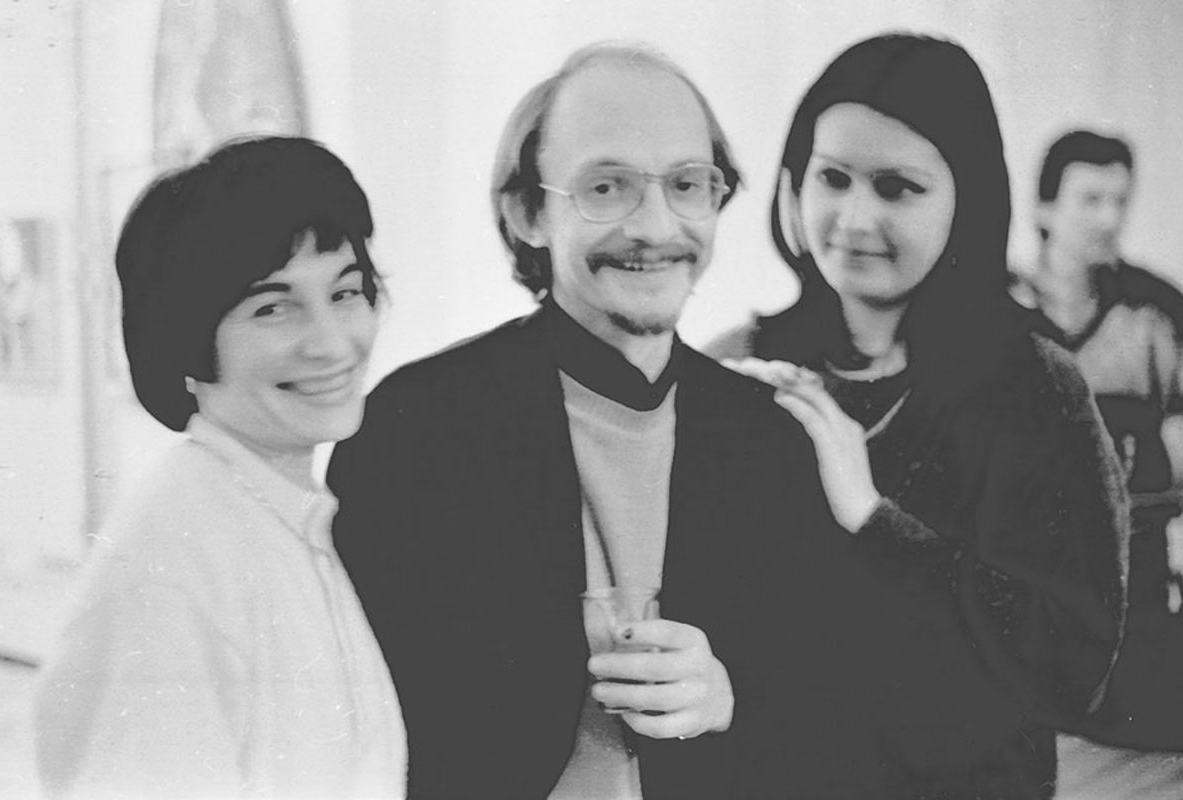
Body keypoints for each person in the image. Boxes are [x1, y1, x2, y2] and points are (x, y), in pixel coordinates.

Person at [328, 42, 870, 799]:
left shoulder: (773, 437)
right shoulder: (413, 427)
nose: (656, 226)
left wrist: (729, 698)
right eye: (606, 187)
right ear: (528, 213)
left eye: (687, 184)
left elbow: (836, 715)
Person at [713, 34, 1128, 799]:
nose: (854, 217)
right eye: (831, 177)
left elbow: (1072, 664)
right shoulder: (737, 368)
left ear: (965, 199)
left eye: (897, 188)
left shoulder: (1034, 387)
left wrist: (874, 520)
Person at [33, 136, 407, 799]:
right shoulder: (168, 573)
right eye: (272, 307)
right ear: (185, 338)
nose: (330, 343)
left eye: (346, 292)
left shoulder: (285, 520)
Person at [1010, 130, 1183, 765]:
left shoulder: (1154, 313)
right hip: (1023, 584)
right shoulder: (993, 309)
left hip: (1134, 583)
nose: (1110, 219)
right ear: (1044, 209)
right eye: (1091, 199)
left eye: (1120, 201)